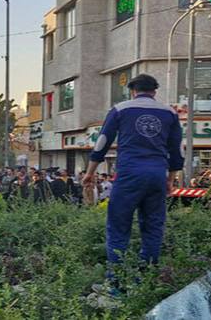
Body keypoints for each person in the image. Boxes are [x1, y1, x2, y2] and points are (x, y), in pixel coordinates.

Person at [83, 73, 183, 285]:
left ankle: (116, 282)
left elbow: (102, 141)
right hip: (157, 174)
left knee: (118, 225)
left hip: (129, 174)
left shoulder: (121, 109)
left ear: (132, 90)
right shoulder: (170, 113)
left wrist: (90, 172)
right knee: (153, 226)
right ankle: (146, 279)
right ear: (154, 91)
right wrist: (171, 180)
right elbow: (176, 150)